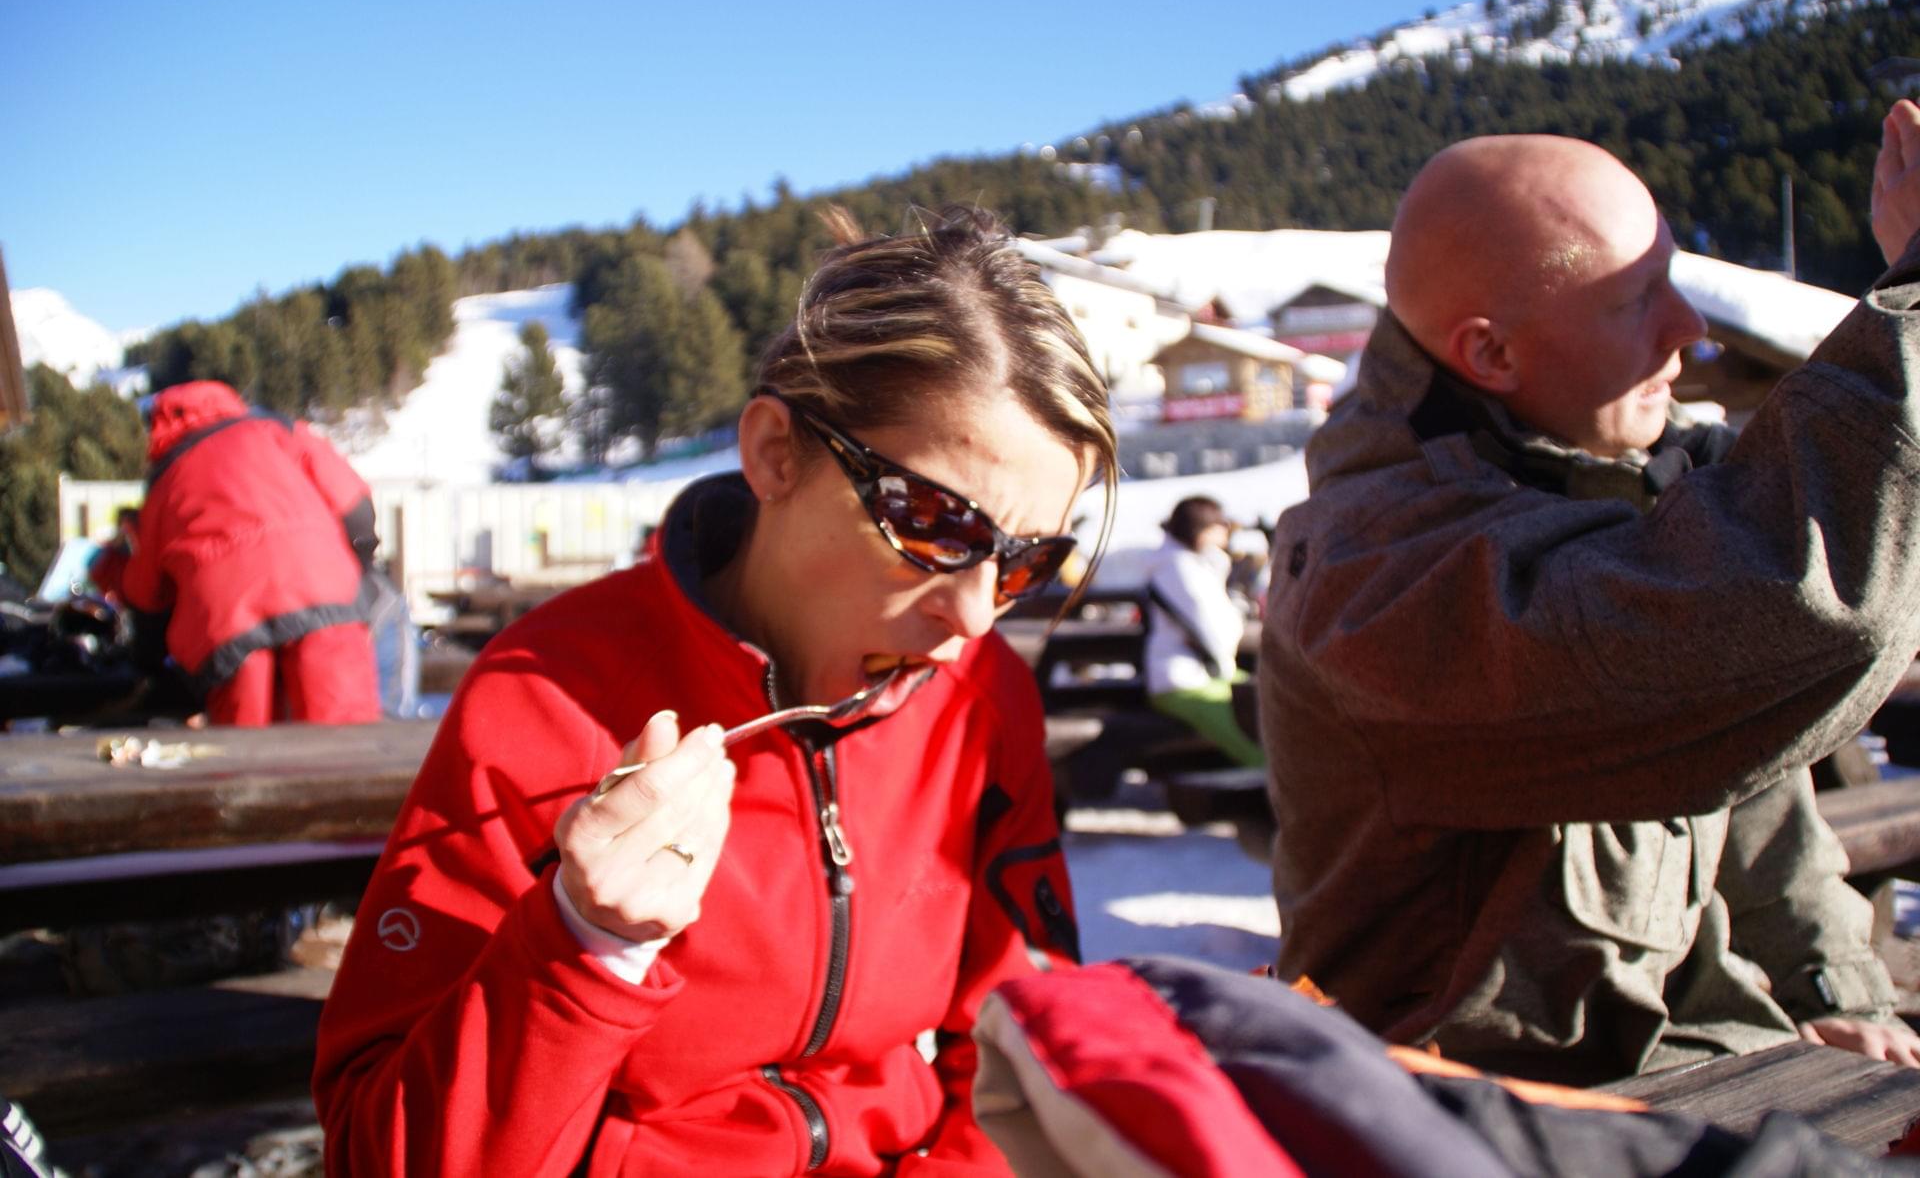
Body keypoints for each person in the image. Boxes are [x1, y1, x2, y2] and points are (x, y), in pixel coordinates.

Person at [312, 207, 1119, 1176]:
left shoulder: (981, 702)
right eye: (937, 524)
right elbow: (382, 1153)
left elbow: (1019, 1052)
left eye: (1028, 562)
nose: (977, 616)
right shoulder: (545, 696)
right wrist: (584, 942)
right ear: (776, 451)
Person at [1259, 103, 1920, 1086]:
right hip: (1461, 1101)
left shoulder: (1618, 474)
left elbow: (1749, 781)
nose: (1690, 329)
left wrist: (1833, 985)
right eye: (1637, 298)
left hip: (1676, 1062)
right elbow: (1797, 609)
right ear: (1491, 355)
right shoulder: (1378, 574)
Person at [120, 379, 380, 726]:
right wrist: (359, 568)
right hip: (325, 594)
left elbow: (145, 594)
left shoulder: (164, 481)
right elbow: (356, 508)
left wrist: (147, 656)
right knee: (344, 744)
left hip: (225, 623)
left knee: (248, 752)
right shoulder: (279, 430)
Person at [1143, 495, 1261, 766]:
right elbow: (1218, 630)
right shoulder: (1178, 568)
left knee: (1265, 700)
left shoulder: (1181, 564)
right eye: (1222, 529)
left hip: (1197, 675)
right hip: (1186, 680)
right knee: (1260, 743)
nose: (1226, 537)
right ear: (1205, 531)